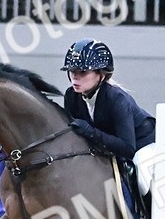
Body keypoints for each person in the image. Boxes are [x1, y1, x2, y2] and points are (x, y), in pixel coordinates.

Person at [61, 38, 156, 197]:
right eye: (72, 71)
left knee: (142, 177)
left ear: (101, 75)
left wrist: (90, 132)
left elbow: (128, 148)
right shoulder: (71, 96)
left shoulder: (116, 98)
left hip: (143, 144)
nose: (75, 78)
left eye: (83, 72)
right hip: (110, 145)